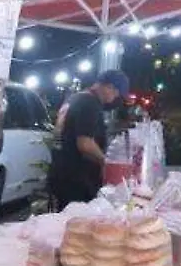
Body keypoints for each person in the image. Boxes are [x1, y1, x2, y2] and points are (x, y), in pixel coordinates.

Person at [50, 69, 129, 209]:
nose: (115, 98)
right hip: (76, 181)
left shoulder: (75, 98)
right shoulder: (90, 103)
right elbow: (85, 144)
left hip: (61, 173)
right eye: (117, 93)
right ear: (109, 86)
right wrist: (106, 162)